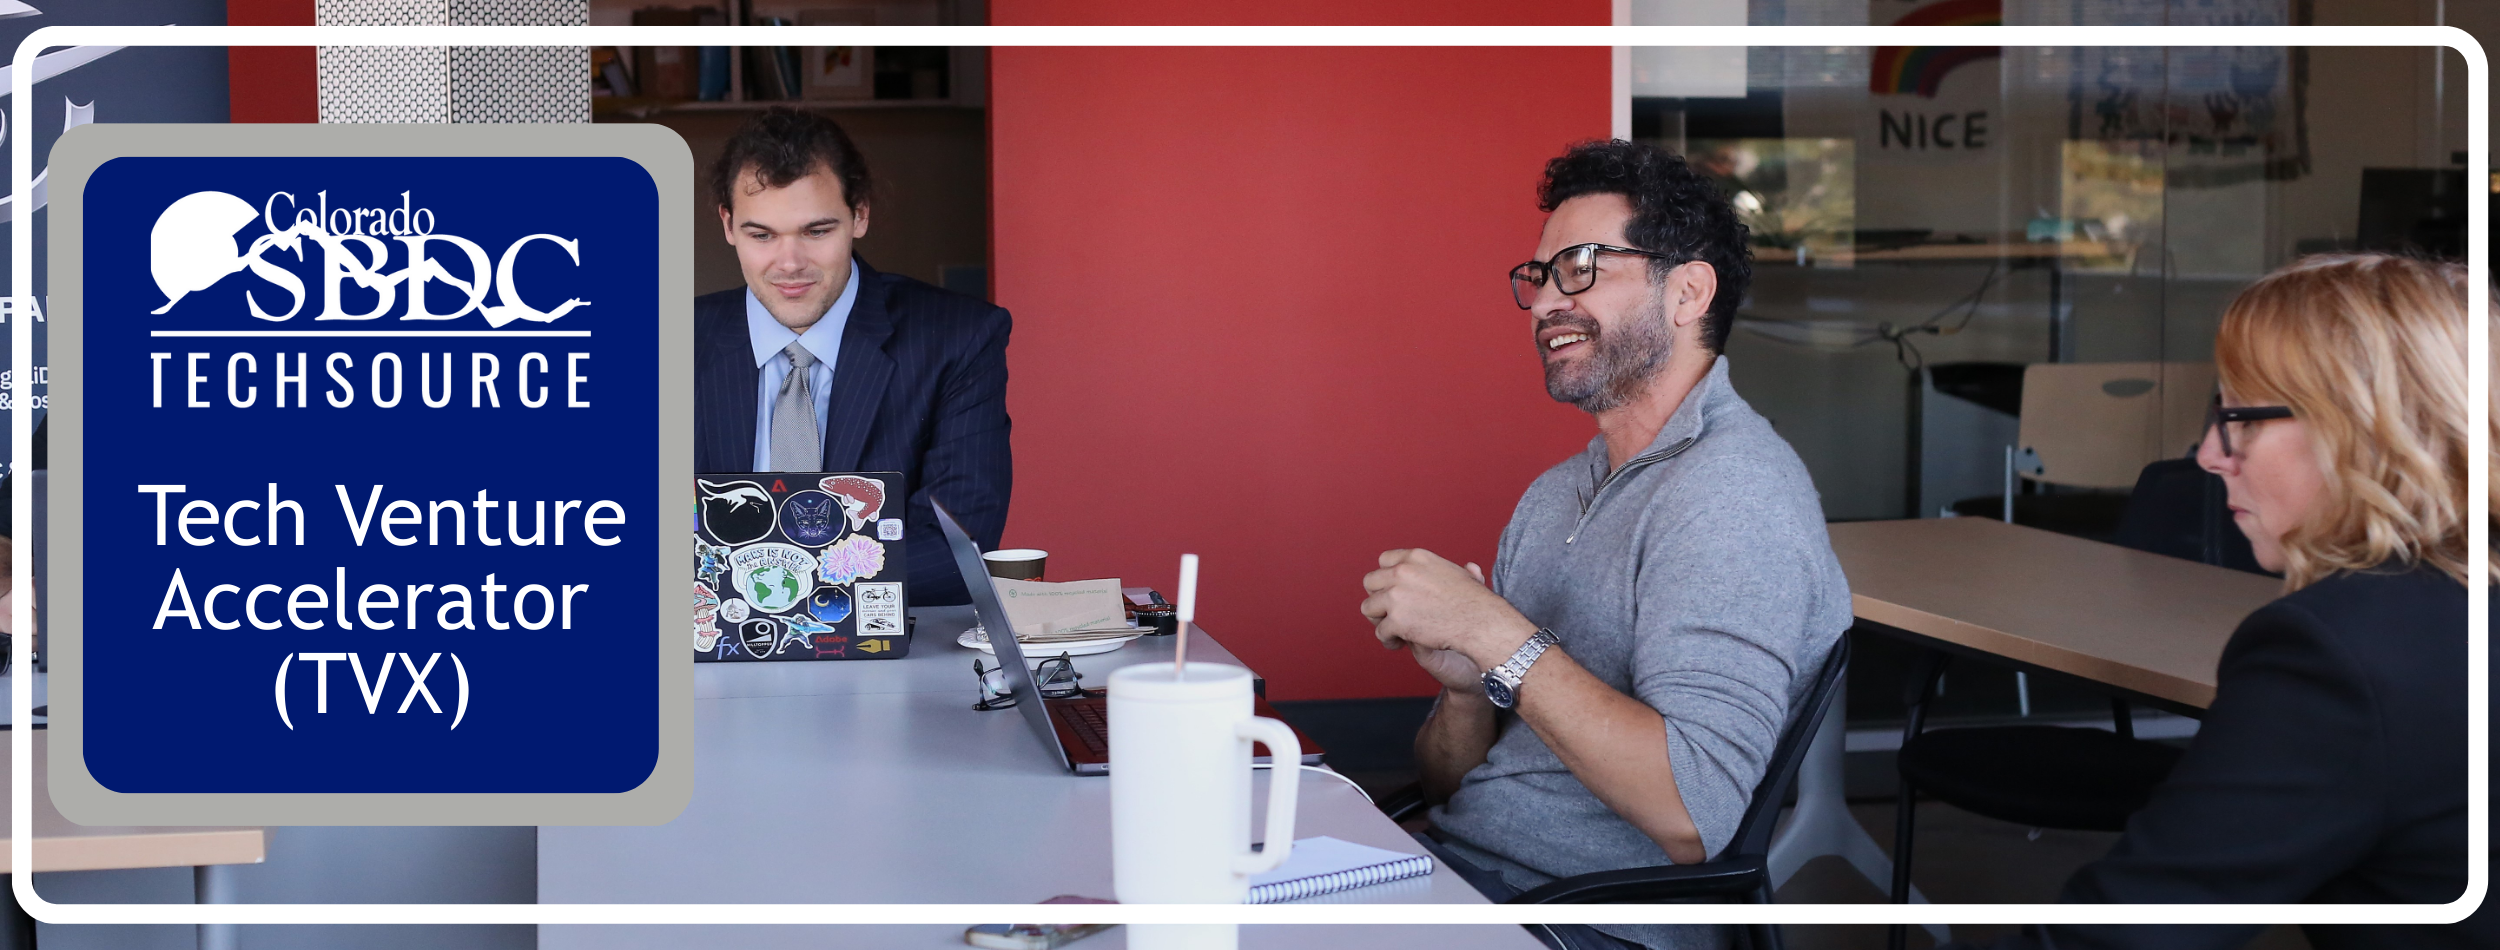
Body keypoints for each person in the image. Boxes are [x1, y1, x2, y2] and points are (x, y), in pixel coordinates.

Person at [1358, 140, 1851, 950]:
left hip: (1583, 924)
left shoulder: (1732, 496)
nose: (1549, 300)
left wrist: (1492, 631)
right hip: (1455, 875)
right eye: (1540, 276)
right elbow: (1449, 785)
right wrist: (1467, 689)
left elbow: (1695, 816)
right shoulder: (1559, 490)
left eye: (1583, 265)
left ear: (1689, 290)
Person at [1957, 254, 2484, 950]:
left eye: (2238, 418)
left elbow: (2126, 936)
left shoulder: (2340, 656)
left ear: (2357, 427)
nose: (2210, 454)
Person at [693, 107, 1011, 605]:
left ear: (859, 214)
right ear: (728, 225)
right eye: (762, 235)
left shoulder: (958, 339)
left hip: (888, 662)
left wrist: (772, 585)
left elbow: (957, 554)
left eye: (817, 231)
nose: (790, 263)